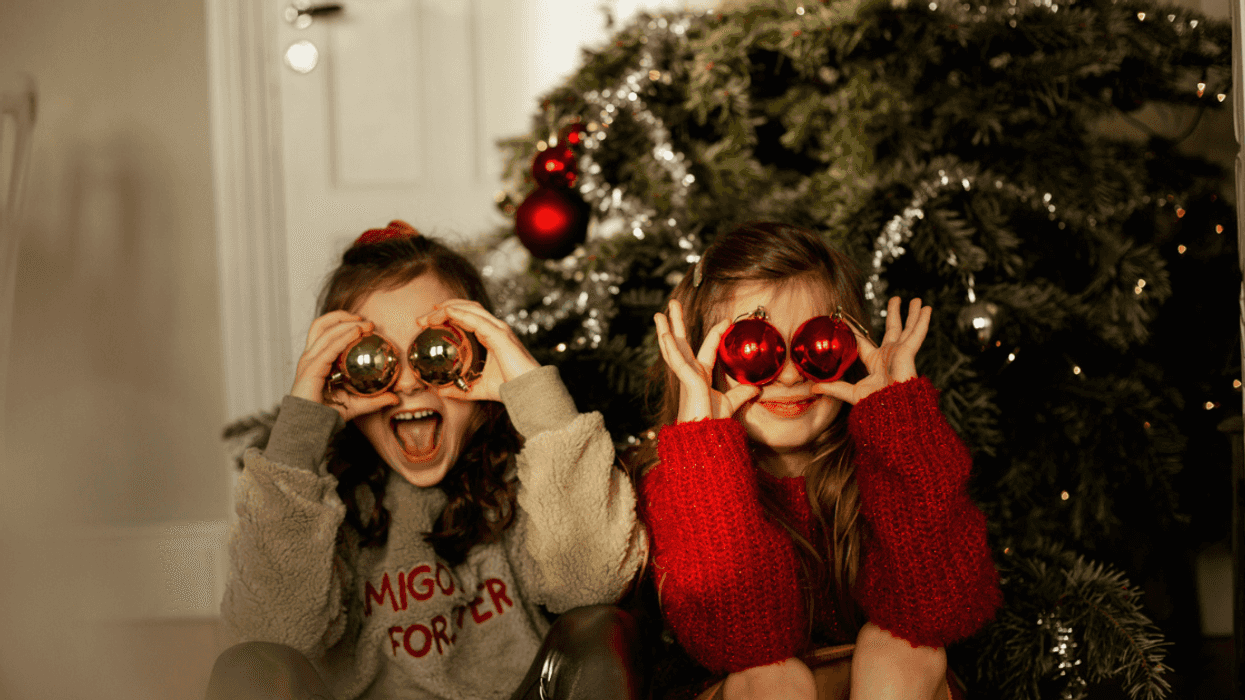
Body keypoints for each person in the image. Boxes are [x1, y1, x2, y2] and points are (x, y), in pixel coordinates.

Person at [207, 221, 649, 700]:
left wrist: (537, 403)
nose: (410, 384)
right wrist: (298, 441)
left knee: (598, 630)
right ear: (339, 376)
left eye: (435, 353)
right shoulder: (321, 507)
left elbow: (594, 587)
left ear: (480, 358)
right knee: (253, 664)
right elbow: (272, 630)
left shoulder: (531, 481)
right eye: (373, 362)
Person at [636, 222, 1002, 700]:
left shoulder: (879, 461)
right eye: (753, 347)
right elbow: (741, 643)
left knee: (906, 648)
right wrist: (704, 451)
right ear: (703, 362)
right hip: (746, 687)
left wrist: (900, 424)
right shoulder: (683, 482)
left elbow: (944, 609)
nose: (788, 375)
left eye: (818, 345)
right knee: (771, 677)